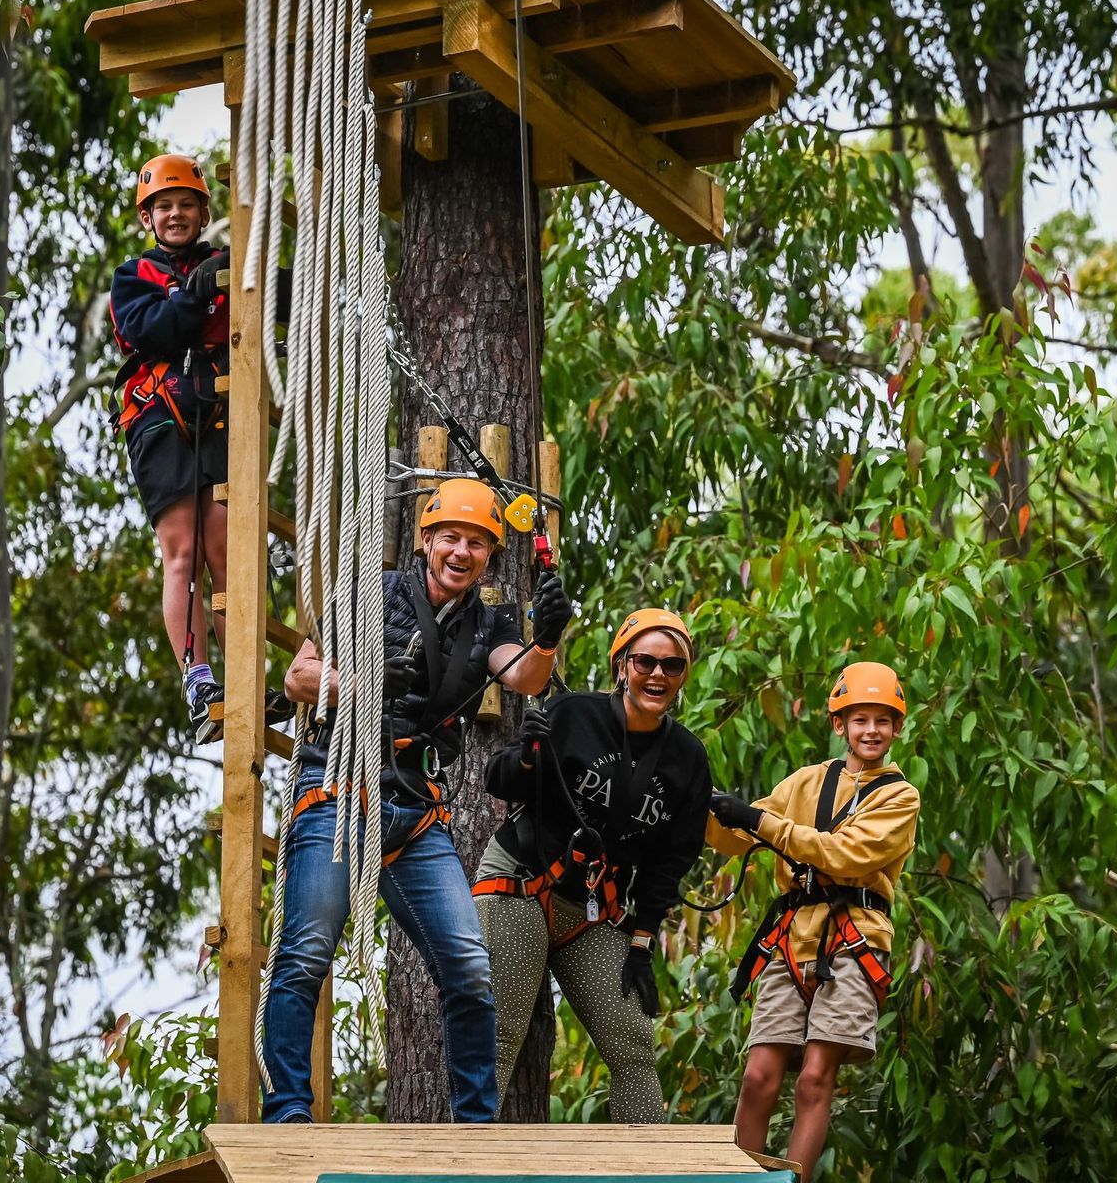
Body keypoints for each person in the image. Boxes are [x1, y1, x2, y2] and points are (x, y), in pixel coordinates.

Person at [264, 477, 573, 1124]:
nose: (462, 552)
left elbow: (523, 675)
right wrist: (363, 682)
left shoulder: (489, 624)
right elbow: (299, 675)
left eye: (478, 544)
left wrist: (546, 637)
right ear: (426, 540)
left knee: (467, 965)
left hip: (413, 812)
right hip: (339, 793)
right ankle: (288, 1114)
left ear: (490, 555)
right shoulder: (372, 595)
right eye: (451, 538)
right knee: (305, 953)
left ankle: (476, 1125)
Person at [473, 608, 712, 1123]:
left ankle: (642, 1172)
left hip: (591, 911)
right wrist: (530, 755)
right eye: (645, 661)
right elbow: (498, 779)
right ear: (621, 666)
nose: (657, 674)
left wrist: (643, 943)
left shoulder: (687, 760)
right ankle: (466, 1165)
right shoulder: (574, 714)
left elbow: (669, 864)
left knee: (633, 1047)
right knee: (502, 1031)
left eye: (671, 667)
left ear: (682, 677)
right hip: (522, 880)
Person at [707, 662, 921, 1181]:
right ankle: (737, 1176)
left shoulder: (900, 797)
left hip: (855, 940)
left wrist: (757, 820)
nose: (871, 731)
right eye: (860, 719)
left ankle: (793, 1179)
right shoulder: (805, 782)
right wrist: (698, 801)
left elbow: (843, 856)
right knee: (759, 1076)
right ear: (839, 724)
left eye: (883, 721)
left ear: (896, 728)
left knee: (814, 1080)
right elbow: (734, 837)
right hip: (791, 939)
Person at [107, 152, 233, 741]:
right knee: (182, 552)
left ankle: (242, 676)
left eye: (186, 204)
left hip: (216, 410)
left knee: (225, 546)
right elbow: (153, 330)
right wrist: (196, 295)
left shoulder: (226, 267)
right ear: (148, 219)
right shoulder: (134, 276)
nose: (176, 214)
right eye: (165, 207)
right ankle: (200, 677)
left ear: (203, 211)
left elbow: (273, 302)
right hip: (158, 414)